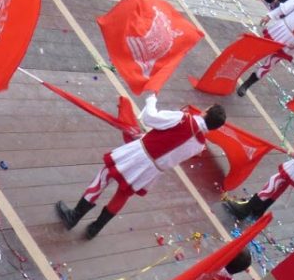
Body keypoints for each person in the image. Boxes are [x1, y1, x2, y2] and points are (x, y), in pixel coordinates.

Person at [55, 94, 226, 239]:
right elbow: (171, 147)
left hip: (141, 154)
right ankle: (95, 229)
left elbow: (149, 118)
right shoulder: (200, 146)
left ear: (206, 112)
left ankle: (75, 215)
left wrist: (151, 99)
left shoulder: (183, 119)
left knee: (106, 173)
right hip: (153, 169)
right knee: (123, 193)